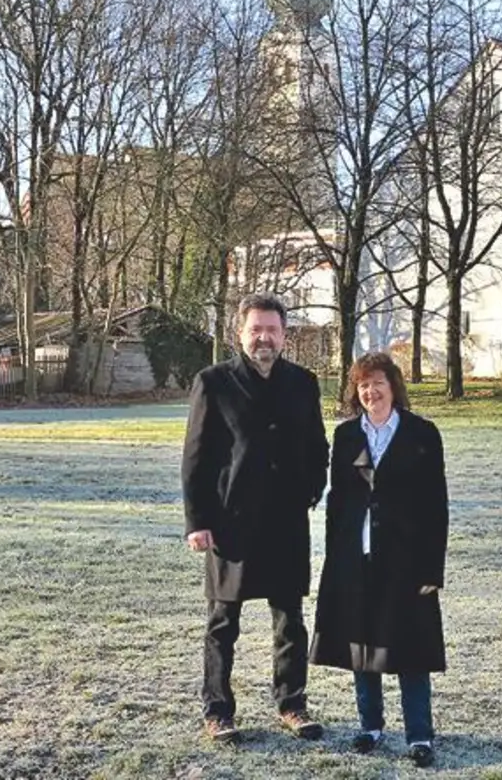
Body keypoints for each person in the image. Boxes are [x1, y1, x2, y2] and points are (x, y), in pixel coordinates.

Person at [180, 293, 330, 743]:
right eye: (255, 329)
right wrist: (197, 521)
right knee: (223, 623)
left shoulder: (303, 383)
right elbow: (196, 459)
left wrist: (311, 489)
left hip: (286, 524)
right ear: (239, 333)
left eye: (272, 329)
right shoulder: (214, 382)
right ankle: (218, 710)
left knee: (290, 621)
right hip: (231, 524)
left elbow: (317, 446)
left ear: (285, 334)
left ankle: (292, 704)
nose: (264, 338)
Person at [309, 351, 449, 768]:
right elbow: (339, 501)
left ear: (393, 387)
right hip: (357, 557)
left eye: (378, 383)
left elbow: (436, 506)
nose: (371, 391)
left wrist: (431, 568)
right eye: (363, 384)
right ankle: (370, 726)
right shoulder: (348, 435)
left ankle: (419, 735)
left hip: (407, 562)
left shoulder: (423, 433)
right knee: (362, 645)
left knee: (412, 649)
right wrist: (336, 562)